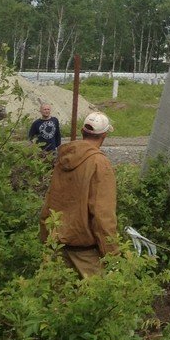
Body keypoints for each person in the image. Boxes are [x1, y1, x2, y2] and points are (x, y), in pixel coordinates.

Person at [39, 110, 118, 277]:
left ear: (83, 132)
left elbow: (51, 202)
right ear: (103, 136)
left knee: (60, 300)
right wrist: (112, 256)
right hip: (86, 254)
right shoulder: (99, 163)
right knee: (97, 299)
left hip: (57, 246)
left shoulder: (63, 158)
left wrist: (46, 240)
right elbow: (102, 215)